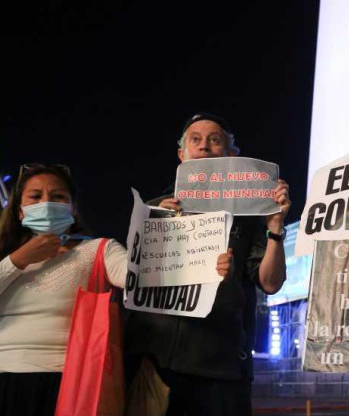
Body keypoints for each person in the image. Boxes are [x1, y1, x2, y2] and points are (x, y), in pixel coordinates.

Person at [124, 113, 290, 416]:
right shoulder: (154, 207)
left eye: (215, 141)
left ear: (231, 155)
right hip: (156, 363)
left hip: (221, 366)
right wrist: (154, 223)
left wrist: (276, 225)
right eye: (195, 140)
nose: (204, 147)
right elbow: (131, 277)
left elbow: (270, 282)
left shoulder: (252, 215)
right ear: (181, 154)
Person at [0, 163, 127, 416]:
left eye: (58, 197)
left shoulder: (98, 250)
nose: (47, 203)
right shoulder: (4, 254)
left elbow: (143, 278)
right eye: (35, 196)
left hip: (71, 384)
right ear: (20, 212)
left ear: (73, 209)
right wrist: (18, 260)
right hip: (3, 377)